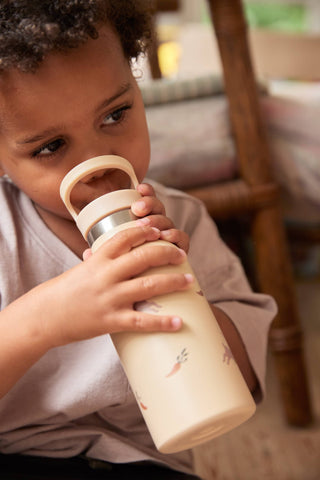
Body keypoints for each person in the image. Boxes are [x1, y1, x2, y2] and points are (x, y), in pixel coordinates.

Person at [0, 1, 276, 479]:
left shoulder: (182, 220)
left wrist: (179, 283)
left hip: (137, 458)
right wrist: (43, 319)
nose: (100, 160)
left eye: (115, 114)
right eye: (50, 146)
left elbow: (245, 375)